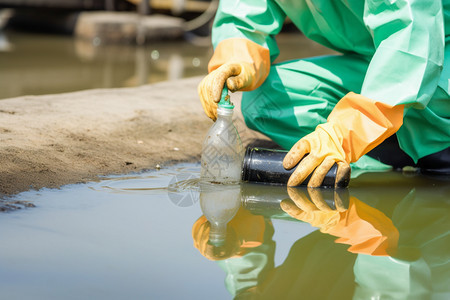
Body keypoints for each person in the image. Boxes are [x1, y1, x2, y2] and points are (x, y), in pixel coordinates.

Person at [198, 0, 450, 187]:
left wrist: (342, 134)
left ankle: (436, 155)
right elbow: (242, 15)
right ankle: (381, 161)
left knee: (431, 97)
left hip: (434, 60)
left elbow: (410, 43)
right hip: (372, 60)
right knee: (267, 101)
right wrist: (235, 62)